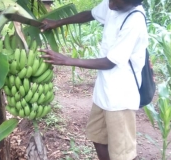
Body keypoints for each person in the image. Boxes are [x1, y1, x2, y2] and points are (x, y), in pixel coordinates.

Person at [39, 0, 148, 159]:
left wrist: (67, 60)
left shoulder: (135, 21)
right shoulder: (114, 4)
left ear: (133, 3)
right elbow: (90, 14)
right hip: (104, 91)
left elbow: (110, 62)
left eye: (117, 5)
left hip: (120, 97)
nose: (110, 6)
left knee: (121, 153)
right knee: (97, 137)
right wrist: (58, 22)